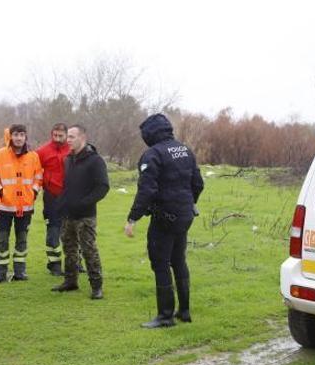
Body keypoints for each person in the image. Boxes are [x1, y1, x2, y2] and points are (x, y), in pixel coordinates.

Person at [124, 114, 204, 328]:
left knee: (160, 263)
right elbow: (198, 183)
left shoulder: (153, 155)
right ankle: (184, 311)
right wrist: (188, 203)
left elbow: (146, 190)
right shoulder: (185, 150)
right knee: (179, 260)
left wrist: (133, 218)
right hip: (185, 216)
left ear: (150, 134)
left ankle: (165, 316)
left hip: (164, 218)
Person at [51, 125, 109, 299]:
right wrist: (61, 203)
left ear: (82, 138)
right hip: (68, 214)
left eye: (71, 137)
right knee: (69, 249)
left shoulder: (95, 160)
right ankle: (70, 281)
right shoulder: (68, 159)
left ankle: (96, 286)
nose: (67, 140)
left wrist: (84, 203)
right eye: (67, 137)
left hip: (86, 216)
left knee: (88, 249)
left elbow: (103, 187)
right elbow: (68, 186)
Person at [0, 124, 43, 282]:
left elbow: (39, 177)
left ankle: (20, 272)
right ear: (10, 136)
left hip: (25, 207)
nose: (19, 138)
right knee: (2, 240)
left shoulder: (33, 156)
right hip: (3, 207)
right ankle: (0, 273)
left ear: (26, 137)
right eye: (16, 135)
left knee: (22, 240)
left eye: (22, 135)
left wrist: (34, 192)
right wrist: (1, 193)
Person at [35, 123, 72, 276]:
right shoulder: (42, 151)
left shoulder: (73, 149)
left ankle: (75, 262)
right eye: (54, 135)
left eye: (60, 136)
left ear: (66, 135)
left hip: (71, 195)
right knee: (53, 230)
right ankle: (54, 264)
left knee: (73, 229)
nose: (57, 138)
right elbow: (34, 170)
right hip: (51, 195)